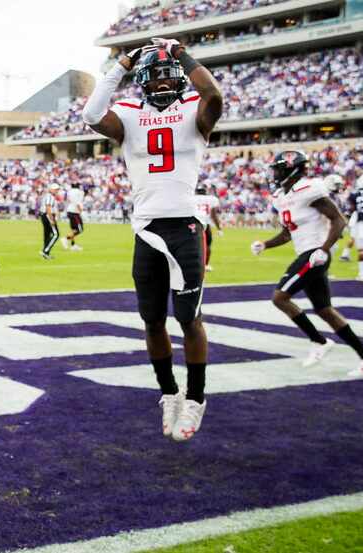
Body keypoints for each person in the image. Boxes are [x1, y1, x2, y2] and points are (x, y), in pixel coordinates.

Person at [83, 38, 223, 441]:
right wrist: (123, 62)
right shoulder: (128, 114)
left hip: (185, 227)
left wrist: (180, 53)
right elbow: (92, 113)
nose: (162, 83)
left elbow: (213, 94)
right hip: (146, 228)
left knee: (188, 318)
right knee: (151, 319)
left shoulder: (193, 111)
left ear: (178, 77)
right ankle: (170, 393)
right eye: (155, 76)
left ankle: (196, 397)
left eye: (168, 75)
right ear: (142, 81)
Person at [250, 151, 363, 376]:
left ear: (292, 168)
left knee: (280, 297)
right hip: (308, 253)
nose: (275, 173)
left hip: (315, 253)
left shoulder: (309, 188)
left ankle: (319, 341)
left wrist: (324, 249)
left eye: (279, 168)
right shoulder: (283, 196)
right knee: (324, 310)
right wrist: (265, 244)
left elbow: (338, 219)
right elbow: (286, 233)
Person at [193, 184, 222, 271]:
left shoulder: (192, 198)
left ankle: (194, 264)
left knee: (193, 245)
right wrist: (219, 228)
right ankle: (205, 265)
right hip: (206, 223)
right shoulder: (211, 199)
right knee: (207, 245)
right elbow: (213, 215)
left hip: (194, 223)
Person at [40, 183, 60, 259]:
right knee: (56, 234)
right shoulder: (50, 196)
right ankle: (45, 251)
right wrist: (52, 219)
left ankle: (45, 252)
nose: (57, 191)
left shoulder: (48, 196)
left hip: (45, 215)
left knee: (47, 234)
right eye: (55, 189)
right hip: (48, 215)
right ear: (51, 189)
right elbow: (48, 208)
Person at [63, 182, 85, 251]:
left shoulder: (69, 191)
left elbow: (66, 199)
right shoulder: (79, 192)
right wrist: (80, 210)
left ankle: (73, 245)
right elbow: (77, 202)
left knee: (74, 230)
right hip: (75, 212)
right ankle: (66, 239)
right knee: (80, 229)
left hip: (70, 211)